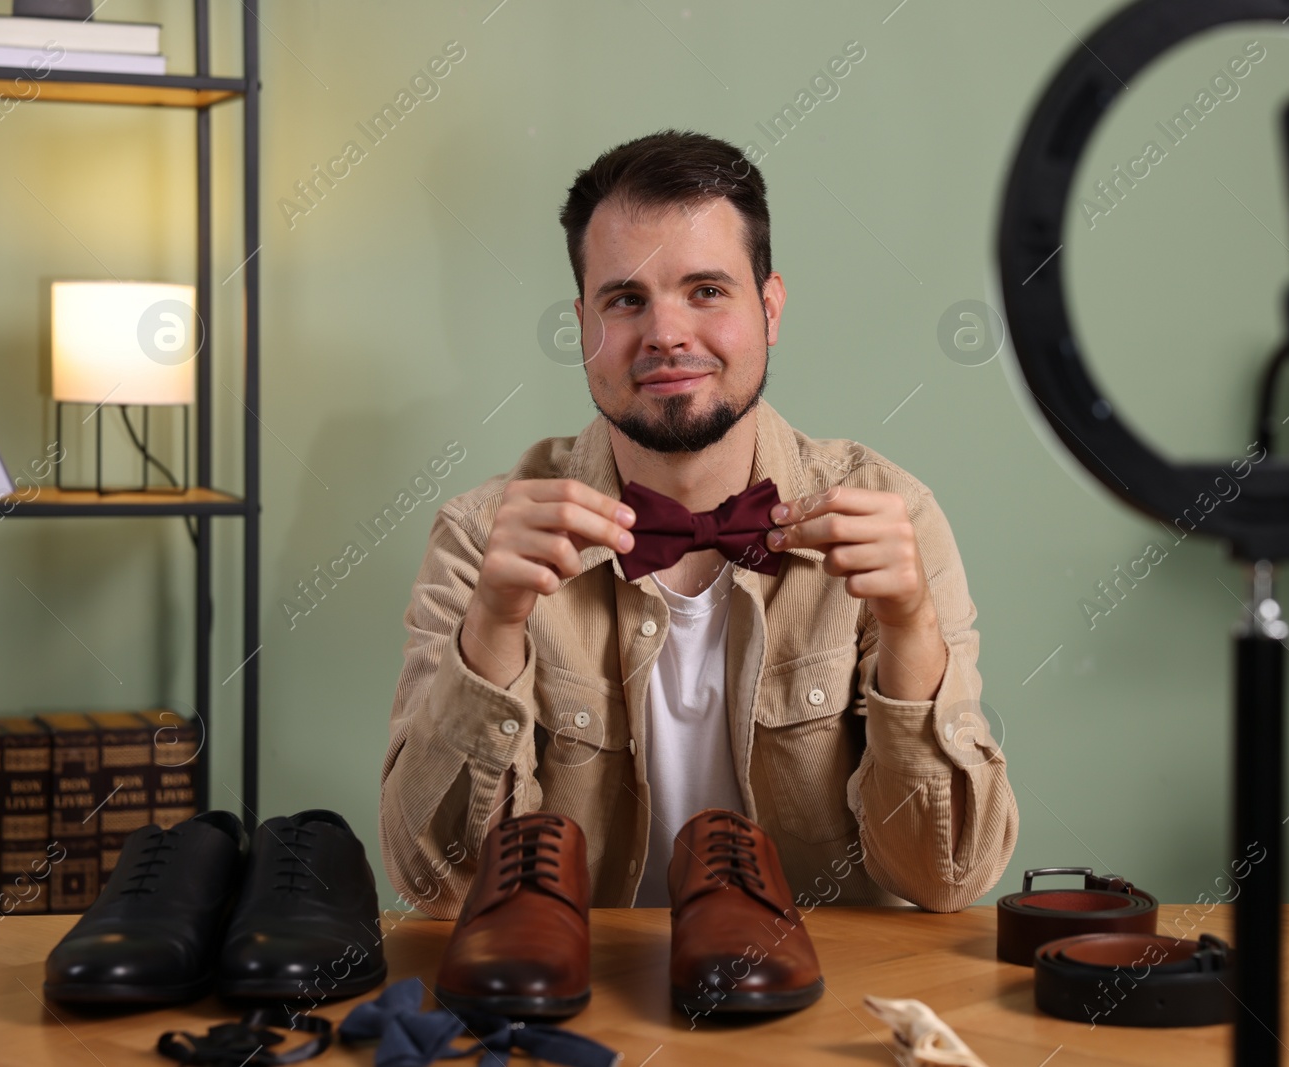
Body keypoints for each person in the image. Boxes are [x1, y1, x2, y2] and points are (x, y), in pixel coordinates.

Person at [379, 129, 1017, 915]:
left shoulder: (893, 515)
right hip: (576, 1007)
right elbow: (436, 884)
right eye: (626, 299)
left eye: (707, 290)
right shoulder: (484, 538)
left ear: (770, 308)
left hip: (819, 1013)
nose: (667, 334)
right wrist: (495, 623)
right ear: (584, 325)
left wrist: (911, 627)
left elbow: (947, 877)